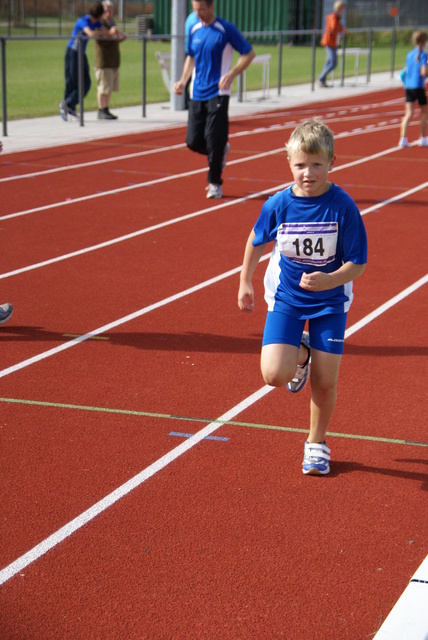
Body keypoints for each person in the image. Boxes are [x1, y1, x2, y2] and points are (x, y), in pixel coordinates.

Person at [237, 120, 367, 476]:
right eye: (299, 165)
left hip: (330, 301)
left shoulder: (343, 207)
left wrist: (331, 279)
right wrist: (244, 281)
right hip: (287, 298)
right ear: (288, 163)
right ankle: (303, 352)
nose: (307, 173)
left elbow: (358, 264)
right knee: (273, 375)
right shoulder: (279, 203)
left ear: (331, 162)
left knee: (325, 382)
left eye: (316, 164)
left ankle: (316, 444)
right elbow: (256, 239)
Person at [173, 0, 255, 200]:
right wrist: (183, 81)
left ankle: (214, 183)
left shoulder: (225, 29)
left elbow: (248, 53)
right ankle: (220, 150)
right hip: (196, 92)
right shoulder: (194, 29)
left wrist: (231, 74)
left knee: (214, 139)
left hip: (218, 93)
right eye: (195, 10)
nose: (198, 13)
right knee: (192, 141)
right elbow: (191, 57)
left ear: (211, 6)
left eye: (201, 9)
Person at [59, 2, 117, 121]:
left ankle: (68, 104)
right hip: (72, 52)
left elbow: (104, 31)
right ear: (100, 14)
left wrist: (114, 32)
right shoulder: (83, 21)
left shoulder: (97, 22)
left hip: (81, 53)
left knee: (86, 82)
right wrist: (108, 33)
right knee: (72, 80)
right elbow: (90, 33)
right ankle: (69, 106)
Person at [94, 0, 127, 120]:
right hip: (103, 60)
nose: (108, 12)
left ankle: (106, 108)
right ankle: (101, 109)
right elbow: (99, 37)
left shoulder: (111, 22)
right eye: (106, 10)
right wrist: (110, 33)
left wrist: (121, 37)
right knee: (103, 86)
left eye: (110, 10)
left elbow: (114, 37)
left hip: (113, 60)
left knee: (109, 87)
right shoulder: (99, 23)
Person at [398, 30, 428, 148]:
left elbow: (406, 71)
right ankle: (423, 138)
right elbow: (423, 72)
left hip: (408, 86)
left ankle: (403, 139)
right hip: (418, 86)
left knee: (408, 114)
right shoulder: (423, 55)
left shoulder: (409, 54)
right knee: (425, 112)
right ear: (424, 42)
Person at [318, 1, 347, 88]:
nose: (344, 10)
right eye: (343, 8)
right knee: (333, 63)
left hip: (333, 43)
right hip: (329, 42)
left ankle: (322, 80)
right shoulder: (334, 17)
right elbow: (334, 27)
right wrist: (342, 29)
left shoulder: (338, 17)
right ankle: (320, 79)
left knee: (329, 62)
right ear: (339, 8)